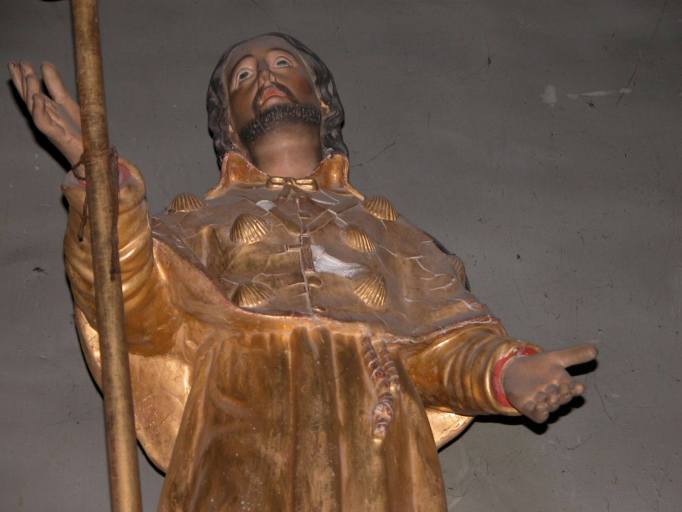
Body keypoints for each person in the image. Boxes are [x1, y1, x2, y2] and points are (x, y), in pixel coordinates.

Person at [9, 33, 597, 511]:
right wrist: (100, 177)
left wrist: (506, 373)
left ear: (323, 101)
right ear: (228, 123)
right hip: (238, 429)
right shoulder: (195, 224)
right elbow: (131, 308)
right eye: (242, 76)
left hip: (374, 438)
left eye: (281, 63)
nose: (263, 76)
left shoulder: (389, 232)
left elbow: (440, 345)